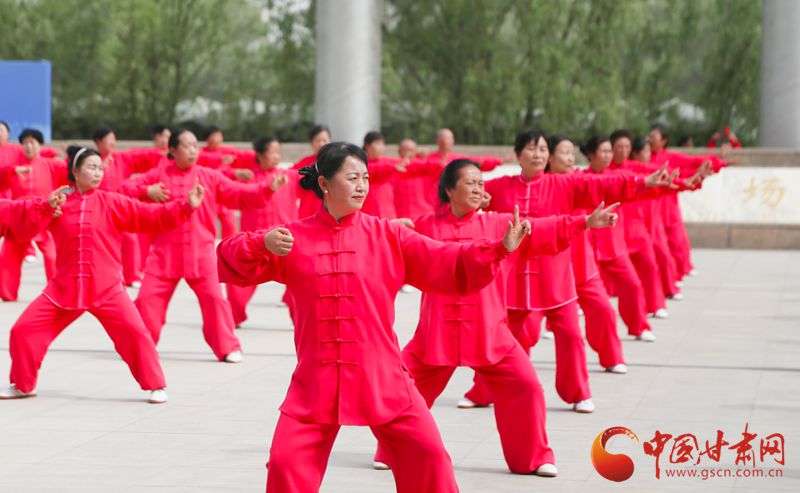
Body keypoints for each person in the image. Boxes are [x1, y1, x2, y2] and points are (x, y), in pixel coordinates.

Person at [217, 142, 529, 493]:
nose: (362, 186)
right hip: (315, 381)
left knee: (429, 455)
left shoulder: (388, 235)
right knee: (285, 463)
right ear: (324, 184)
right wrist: (261, 242)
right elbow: (228, 257)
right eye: (352, 178)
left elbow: (444, 258)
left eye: (365, 178)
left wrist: (498, 248)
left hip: (382, 376)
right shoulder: (293, 238)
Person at [373, 159, 621, 477]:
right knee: (405, 387)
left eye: (481, 183)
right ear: (449, 190)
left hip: (488, 330)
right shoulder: (426, 226)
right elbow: (385, 244)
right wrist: (389, 232)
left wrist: (584, 221)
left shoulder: (498, 223)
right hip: (436, 332)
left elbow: (539, 227)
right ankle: (391, 451)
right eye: (470, 183)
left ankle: (533, 458)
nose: (478, 189)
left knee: (526, 386)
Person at [461, 129, 673, 413]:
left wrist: (641, 182)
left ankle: (578, 392)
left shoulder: (564, 184)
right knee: (501, 338)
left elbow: (601, 184)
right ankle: (483, 391)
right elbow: (470, 196)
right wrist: (479, 198)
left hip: (555, 277)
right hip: (514, 280)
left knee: (571, 335)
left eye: (542, 149)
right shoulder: (501, 187)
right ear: (518, 154)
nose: (538, 155)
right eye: (531, 149)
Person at [0, 146, 204, 403]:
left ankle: (156, 384)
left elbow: (150, 215)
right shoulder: (58, 203)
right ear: (75, 172)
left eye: (100, 168)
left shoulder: (111, 202)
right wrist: (44, 207)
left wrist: (186, 206)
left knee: (136, 333)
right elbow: (20, 214)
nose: (98, 173)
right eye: (91, 167)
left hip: (106, 288)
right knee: (23, 330)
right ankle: (22, 384)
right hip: (63, 289)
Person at [119, 129, 281, 363]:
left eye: (196, 145)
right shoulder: (158, 175)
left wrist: (267, 188)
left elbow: (238, 193)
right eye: (187, 146)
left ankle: (227, 346)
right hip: (165, 254)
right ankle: (140, 347)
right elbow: (124, 189)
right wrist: (146, 190)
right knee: (146, 300)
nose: (194, 150)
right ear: (173, 150)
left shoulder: (208, 176)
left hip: (200, 253)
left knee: (215, 299)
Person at [547, 135, 628, 371]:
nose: (570, 158)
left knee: (604, 310)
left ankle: (613, 358)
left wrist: (642, 184)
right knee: (524, 326)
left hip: (582, 264)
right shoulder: (542, 186)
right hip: (549, 271)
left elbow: (606, 185)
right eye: (564, 153)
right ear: (550, 157)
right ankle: (497, 380)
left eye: (572, 153)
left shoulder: (580, 181)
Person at [581, 135, 656, 340]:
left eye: (609, 151)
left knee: (632, 285)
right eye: (603, 151)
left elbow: (638, 182)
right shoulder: (581, 178)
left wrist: (681, 181)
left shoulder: (619, 177)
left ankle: (639, 326)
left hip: (613, 246)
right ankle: (554, 325)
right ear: (591, 154)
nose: (608, 156)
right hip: (587, 247)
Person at [225, 136, 295, 327]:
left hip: (285, 242)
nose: (277, 156)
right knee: (239, 281)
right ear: (261, 155)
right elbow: (219, 176)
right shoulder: (248, 177)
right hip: (256, 243)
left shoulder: (289, 176)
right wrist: (234, 172)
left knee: (299, 281)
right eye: (272, 152)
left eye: (278, 152)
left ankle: (304, 320)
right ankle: (232, 318)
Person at [0, 129, 69, 301]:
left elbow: (72, 174)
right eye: (25, 143)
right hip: (19, 217)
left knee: (53, 255)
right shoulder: (14, 167)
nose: (29, 146)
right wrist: (11, 171)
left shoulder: (50, 165)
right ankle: (7, 293)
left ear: (40, 145)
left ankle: (57, 292)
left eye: (33, 142)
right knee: (9, 255)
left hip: (45, 215)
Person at [294, 124, 331, 218]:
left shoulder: (335, 162)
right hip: (308, 211)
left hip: (329, 210)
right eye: (318, 141)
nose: (321, 144)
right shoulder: (304, 162)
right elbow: (291, 178)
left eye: (324, 140)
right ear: (311, 143)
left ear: (330, 141)